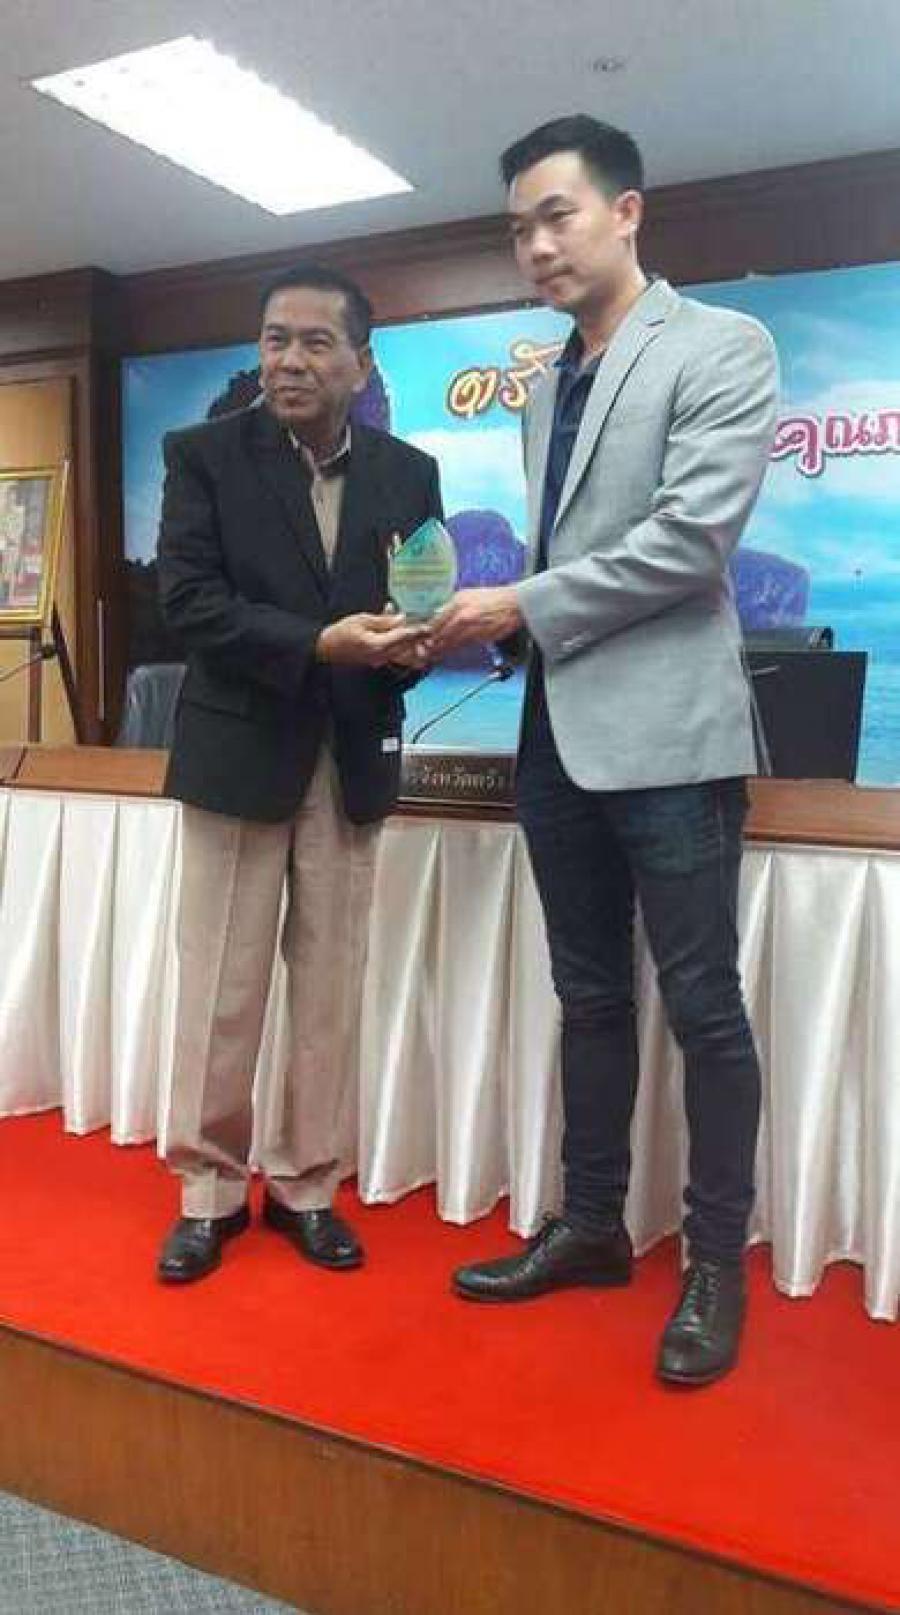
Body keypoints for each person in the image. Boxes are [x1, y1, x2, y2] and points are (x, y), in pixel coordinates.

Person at [430, 117, 779, 1385]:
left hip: (673, 737)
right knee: (586, 994)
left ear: (628, 212)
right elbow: (563, 558)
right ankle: (590, 1226)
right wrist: (485, 626)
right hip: (555, 733)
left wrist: (519, 605)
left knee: (703, 1005)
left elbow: (691, 542)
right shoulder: (543, 385)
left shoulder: (722, 345)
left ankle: (713, 1261)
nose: (535, 245)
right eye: (517, 227)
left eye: (557, 215)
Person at [155, 263, 441, 1284]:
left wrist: (412, 644)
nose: (290, 360)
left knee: (328, 988)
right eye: (276, 339)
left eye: (317, 342)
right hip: (239, 753)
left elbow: (418, 599)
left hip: (350, 755)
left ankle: (306, 1185)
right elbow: (189, 605)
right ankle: (207, 1191)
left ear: (360, 362)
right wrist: (321, 643)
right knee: (221, 990)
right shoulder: (202, 457)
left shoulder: (409, 473)